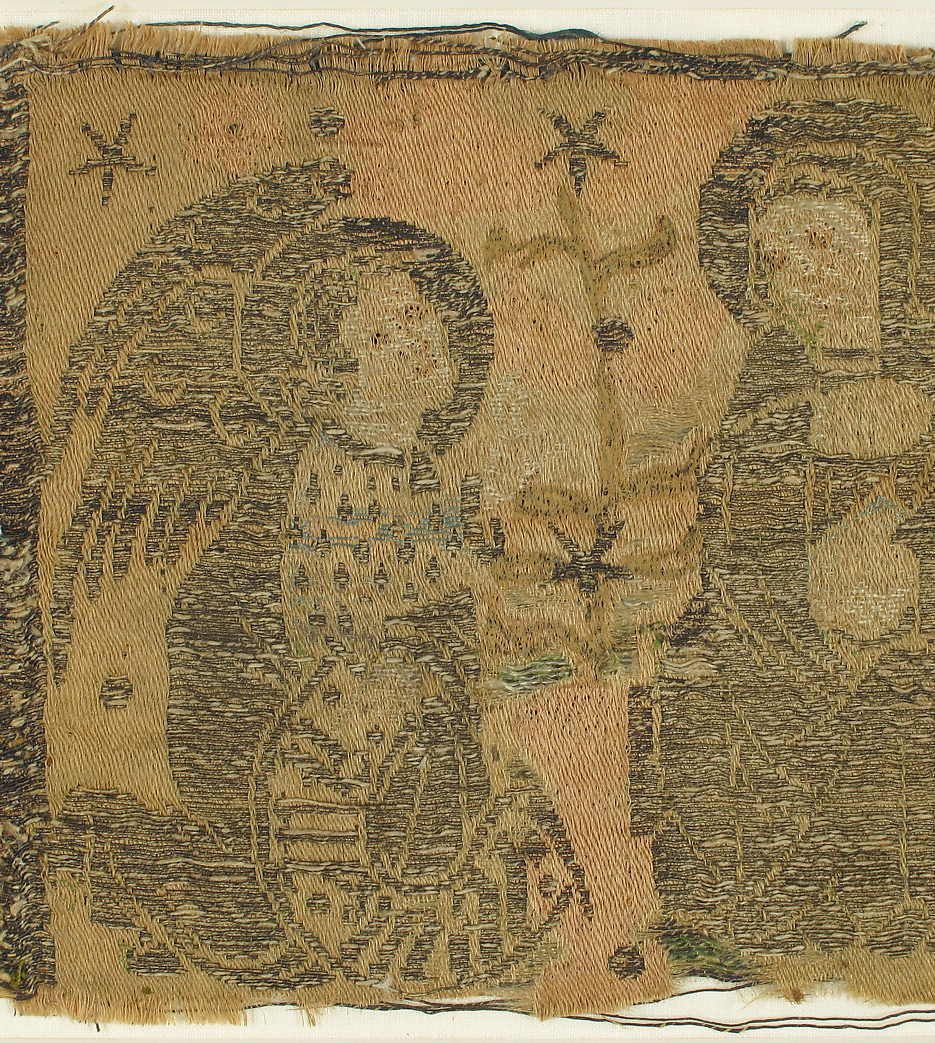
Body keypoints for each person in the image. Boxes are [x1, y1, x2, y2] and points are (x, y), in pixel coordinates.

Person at [43, 163, 584, 998]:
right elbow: (318, 652)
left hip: (416, 768)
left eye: (425, 316)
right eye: (388, 329)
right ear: (337, 367)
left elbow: (459, 635)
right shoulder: (320, 486)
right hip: (318, 791)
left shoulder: (425, 482)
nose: (423, 340)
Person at [632, 100, 935, 972]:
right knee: (696, 666)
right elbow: (732, 527)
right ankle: (748, 889)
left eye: (826, 244)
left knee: (908, 686)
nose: (805, 276)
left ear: (887, 247)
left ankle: (895, 888)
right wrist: (797, 596)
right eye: (778, 259)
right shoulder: (767, 381)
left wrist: (889, 567)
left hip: (913, 625)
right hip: (775, 631)